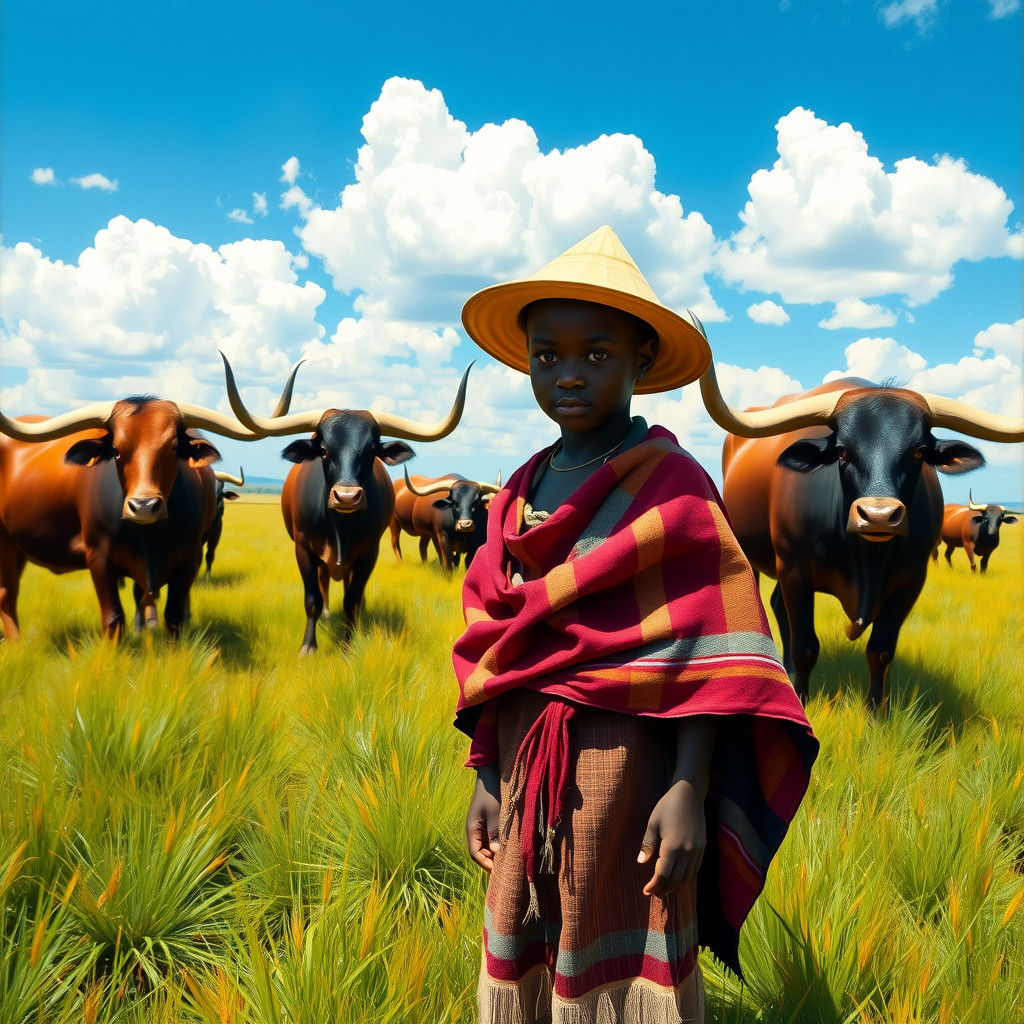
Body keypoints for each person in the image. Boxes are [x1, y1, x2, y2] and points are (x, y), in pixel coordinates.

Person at [452, 226, 818, 1024]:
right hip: (522, 758)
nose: (569, 374)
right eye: (547, 356)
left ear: (641, 362)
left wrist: (688, 785)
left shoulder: (676, 485)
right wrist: (486, 773)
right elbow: (495, 643)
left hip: (630, 766)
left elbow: (713, 650)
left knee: (619, 919)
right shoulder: (519, 488)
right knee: (526, 913)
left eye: (596, 354)